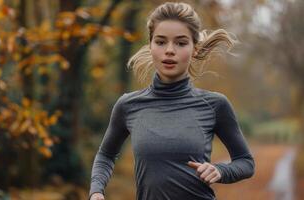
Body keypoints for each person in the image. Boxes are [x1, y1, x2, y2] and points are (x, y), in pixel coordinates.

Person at [89, 2, 255, 200]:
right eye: (160, 42)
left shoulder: (215, 105)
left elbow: (245, 162)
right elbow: (106, 155)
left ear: (194, 48)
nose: (169, 50)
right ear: (150, 46)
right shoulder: (128, 105)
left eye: (181, 43)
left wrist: (220, 171)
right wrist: (96, 191)